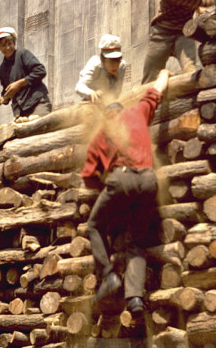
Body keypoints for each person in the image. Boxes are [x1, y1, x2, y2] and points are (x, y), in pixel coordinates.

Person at [83, 69, 170, 316]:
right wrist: (163, 72)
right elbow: (157, 89)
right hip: (149, 180)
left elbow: (90, 177)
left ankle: (109, 277)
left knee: (94, 225)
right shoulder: (138, 111)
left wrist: (106, 186)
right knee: (136, 241)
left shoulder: (103, 132)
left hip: (122, 180)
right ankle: (135, 299)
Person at [0, 27, 52, 120]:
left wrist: (19, 83)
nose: (8, 47)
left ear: (14, 43)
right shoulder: (1, 70)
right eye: (3, 45)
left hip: (37, 104)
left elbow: (40, 71)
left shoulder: (22, 54)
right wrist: (2, 99)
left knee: (38, 126)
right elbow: (7, 90)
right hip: (20, 112)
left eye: (10, 43)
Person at [76, 34, 128, 104]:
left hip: (108, 103)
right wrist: (91, 92)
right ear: (102, 59)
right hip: (90, 102)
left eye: (118, 60)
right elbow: (79, 86)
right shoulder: (94, 63)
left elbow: (116, 92)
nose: (115, 65)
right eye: (111, 61)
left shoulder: (122, 66)